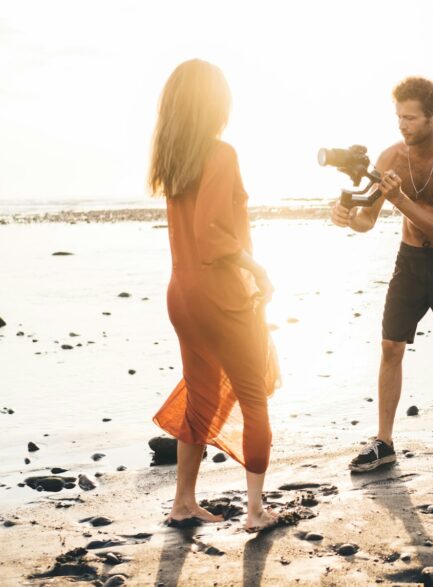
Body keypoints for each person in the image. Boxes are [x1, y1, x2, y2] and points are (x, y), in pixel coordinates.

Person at [331, 76, 433, 472]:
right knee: (390, 346)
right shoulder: (389, 158)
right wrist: (347, 218)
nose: (402, 125)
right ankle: (383, 441)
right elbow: (367, 220)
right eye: (398, 117)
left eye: (411, 118)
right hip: (410, 262)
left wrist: (400, 198)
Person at [148, 59, 282, 532]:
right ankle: (256, 512)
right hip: (219, 292)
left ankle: (183, 502)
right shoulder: (220, 154)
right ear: (214, 104)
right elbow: (212, 237)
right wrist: (255, 267)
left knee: (201, 395)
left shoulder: (173, 161)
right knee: (254, 394)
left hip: (181, 294)